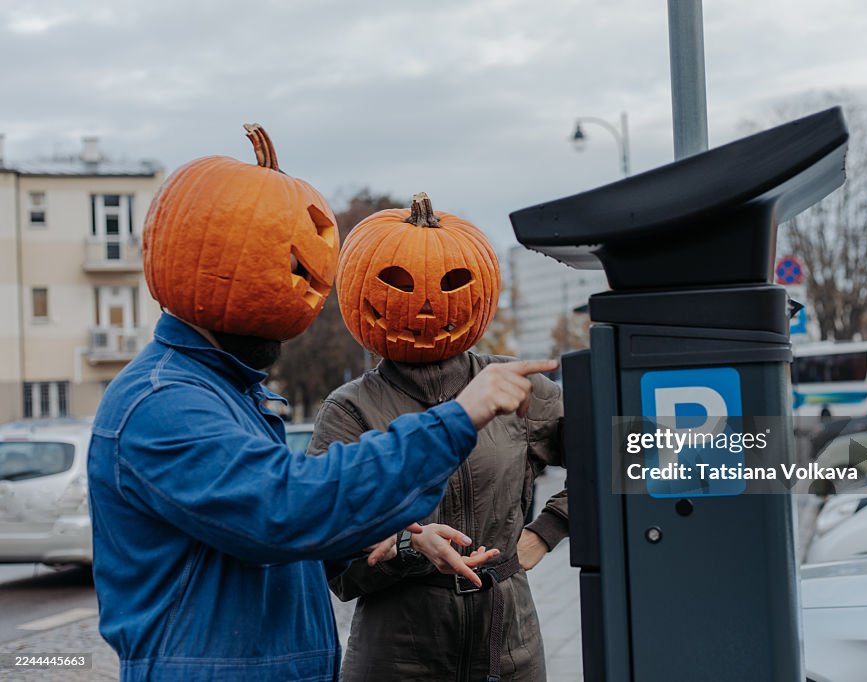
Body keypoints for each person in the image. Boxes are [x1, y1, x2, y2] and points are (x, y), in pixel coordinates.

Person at [87, 125, 558, 682]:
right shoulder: (163, 402)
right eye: (288, 268)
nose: (303, 292)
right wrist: (456, 419)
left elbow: (308, 533)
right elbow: (285, 509)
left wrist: (406, 539)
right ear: (213, 267)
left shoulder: (230, 394)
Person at [309, 193, 568, 681]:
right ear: (363, 290)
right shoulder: (349, 409)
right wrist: (409, 548)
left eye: (452, 284)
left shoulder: (515, 385)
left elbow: (618, 458)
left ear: (480, 291)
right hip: (397, 659)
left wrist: (546, 531)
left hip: (508, 652)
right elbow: (333, 564)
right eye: (397, 284)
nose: (426, 306)